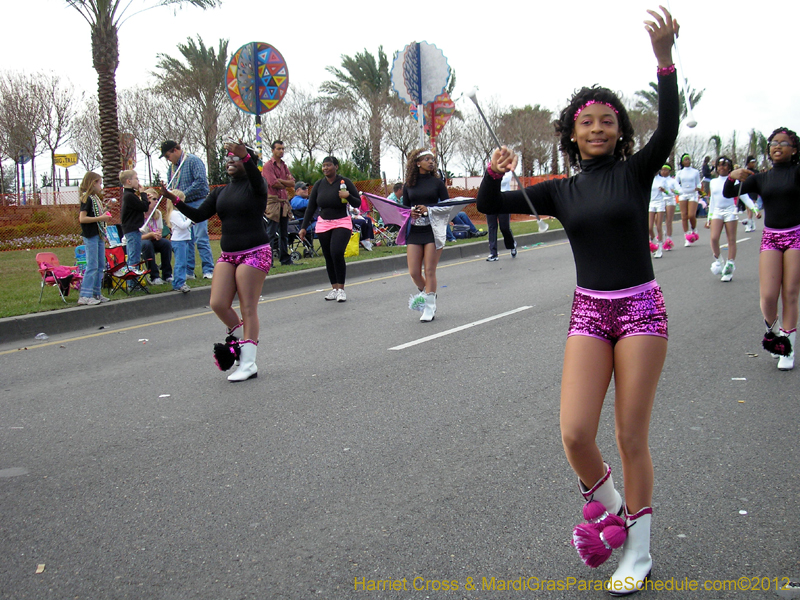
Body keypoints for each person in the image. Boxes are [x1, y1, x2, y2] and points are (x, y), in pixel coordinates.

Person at [476, 7, 678, 595]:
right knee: (573, 433)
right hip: (589, 311)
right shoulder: (560, 192)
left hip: (640, 307)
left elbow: (666, 128)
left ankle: (637, 550)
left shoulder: (638, 172)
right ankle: (614, 510)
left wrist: (664, 64)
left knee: (630, 435)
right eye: (586, 122)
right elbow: (491, 205)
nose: (597, 128)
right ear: (571, 132)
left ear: (619, 131)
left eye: (606, 121)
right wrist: (494, 171)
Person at [161, 141, 270, 382]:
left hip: (254, 252)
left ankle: (249, 362)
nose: (230, 161)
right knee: (218, 303)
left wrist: (247, 158)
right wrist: (174, 200)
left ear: (246, 161)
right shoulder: (221, 191)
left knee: (248, 307)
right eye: (228, 158)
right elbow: (199, 215)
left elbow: (255, 177)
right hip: (228, 255)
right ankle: (242, 347)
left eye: (236, 158)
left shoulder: (257, 185)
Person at [725, 127, 800, 371]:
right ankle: (775, 331)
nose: (778, 146)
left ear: (794, 149)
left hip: (796, 236)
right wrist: (732, 176)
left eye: (784, 142)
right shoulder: (760, 177)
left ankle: (787, 346)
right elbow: (729, 192)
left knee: (789, 292)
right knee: (768, 295)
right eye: (774, 142)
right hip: (771, 237)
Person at [298, 156, 361, 302]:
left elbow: (357, 202)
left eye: (329, 165)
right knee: (328, 256)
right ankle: (334, 288)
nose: (325, 168)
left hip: (342, 222)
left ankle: (341, 290)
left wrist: (348, 196)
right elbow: (311, 207)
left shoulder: (344, 182)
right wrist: (303, 227)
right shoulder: (319, 185)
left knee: (337, 252)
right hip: (323, 223)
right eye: (323, 166)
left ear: (336, 167)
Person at [403, 148, 450, 322]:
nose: (431, 162)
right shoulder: (408, 185)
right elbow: (404, 209)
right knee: (414, 272)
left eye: (432, 159)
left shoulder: (437, 183)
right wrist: (411, 213)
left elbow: (447, 207)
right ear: (417, 163)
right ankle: (430, 295)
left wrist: (428, 209)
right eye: (427, 159)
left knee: (429, 270)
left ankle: (429, 307)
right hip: (415, 231)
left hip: (433, 230)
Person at [161, 140, 213, 279]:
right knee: (187, 238)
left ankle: (208, 270)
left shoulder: (193, 161)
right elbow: (173, 188)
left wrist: (181, 196)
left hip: (198, 202)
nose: (168, 159)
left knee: (201, 236)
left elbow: (201, 182)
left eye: (168, 155)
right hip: (182, 206)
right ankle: (189, 271)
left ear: (175, 150)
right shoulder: (171, 170)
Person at [705, 157, 760, 282]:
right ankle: (718, 262)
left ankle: (729, 267)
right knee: (714, 238)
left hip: (731, 211)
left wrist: (755, 210)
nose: (722, 167)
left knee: (731, 240)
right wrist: (709, 217)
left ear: (729, 168)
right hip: (717, 211)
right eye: (719, 165)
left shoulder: (734, 181)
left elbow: (744, 197)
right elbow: (712, 200)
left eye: (725, 165)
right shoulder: (713, 182)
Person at [77, 172, 112, 305]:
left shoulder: (95, 198)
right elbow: (83, 218)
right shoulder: (87, 198)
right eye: (99, 183)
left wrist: (106, 209)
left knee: (99, 265)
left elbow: (96, 214)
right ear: (93, 183)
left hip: (98, 235)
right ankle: (85, 295)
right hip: (90, 235)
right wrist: (101, 218)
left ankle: (96, 293)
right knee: (92, 265)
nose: (101, 186)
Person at [262, 140, 295, 266]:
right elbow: (273, 183)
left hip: (284, 203)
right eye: (279, 149)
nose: (281, 151)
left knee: (284, 233)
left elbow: (292, 183)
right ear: (273, 150)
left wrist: (281, 180)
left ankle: (285, 259)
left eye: (282, 148)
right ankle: (267, 261)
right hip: (273, 202)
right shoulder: (268, 166)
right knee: (271, 233)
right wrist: (284, 181)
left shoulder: (284, 166)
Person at [119, 170, 149, 276]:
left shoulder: (130, 195)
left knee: (134, 255)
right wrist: (143, 193)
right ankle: (132, 282)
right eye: (136, 178)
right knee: (134, 257)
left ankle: (132, 280)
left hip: (133, 229)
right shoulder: (129, 196)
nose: (138, 181)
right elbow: (144, 207)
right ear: (129, 181)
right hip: (132, 230)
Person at [139, 190, 172, 286]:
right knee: (147, 244)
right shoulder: (139, 214)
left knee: (166, 243)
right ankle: (154, 276)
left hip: (152, 239)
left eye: (157, 199)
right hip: (139, 241)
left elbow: (159, 231)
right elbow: (136, 236)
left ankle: (167, 274)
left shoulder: (157, 213)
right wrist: (150, 235)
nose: (156, 201)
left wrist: (157, 235)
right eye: (154, 199)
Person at [164, 190, 192, 293]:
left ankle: (178, 282)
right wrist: (190, 219)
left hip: (184, 239)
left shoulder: (179, 213)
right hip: (179, 241)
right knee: (181, 262)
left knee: (183, 262)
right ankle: (179, 282)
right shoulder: (175, 214)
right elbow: (183, 225)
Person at [486, 170, 517, 261]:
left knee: (504, 227)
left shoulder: (507, 171)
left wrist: (494, 178)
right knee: (492, 226)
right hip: (491, 199)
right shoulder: (490, 168)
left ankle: (512, 245)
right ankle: (493, 253)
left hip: (504, 199)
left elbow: (504, 181)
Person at [648, 165, 677, 258]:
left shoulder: (662, 180)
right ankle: (652, 244)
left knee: (658, 225)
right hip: (651, 203)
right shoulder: (649, 179)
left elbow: (670, 193)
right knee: (649, 227)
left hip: (660, 203)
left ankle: (659, 248)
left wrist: (665, 190)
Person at [676, 153, 703, 246]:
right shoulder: (679, 173)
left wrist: (698, 188)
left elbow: (699, 183)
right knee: (684, 216)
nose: (687, 161)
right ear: (682, 162)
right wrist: (679, 191)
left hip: (693, 194)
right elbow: (676, 184)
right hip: (683, 194)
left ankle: (694, 229)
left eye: (688, 159)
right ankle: (687, 236)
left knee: (691, 215)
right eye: (685, 160)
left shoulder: (695, 172)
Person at [739, 156, 761, 232]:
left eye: (754, 162)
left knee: (750, 206)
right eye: (752, 162)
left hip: (753, 191)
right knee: (748, 207)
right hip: (746, 191)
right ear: (748, 163)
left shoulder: (756, 172)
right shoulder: (745, 172)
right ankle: (751, 221)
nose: (753, 164)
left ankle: (749, 222)